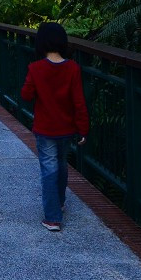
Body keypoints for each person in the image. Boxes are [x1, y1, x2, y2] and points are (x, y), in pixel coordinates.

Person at [20, 22, 89, 232]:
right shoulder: (73, 68)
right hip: (66, 128)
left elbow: (26, 95)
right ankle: (59, 202)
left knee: (49, 169)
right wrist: (83, 128)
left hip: (45, 128)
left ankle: (52, 217)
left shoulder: (36, 68)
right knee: (61, 164)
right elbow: (79, 101)